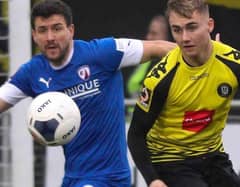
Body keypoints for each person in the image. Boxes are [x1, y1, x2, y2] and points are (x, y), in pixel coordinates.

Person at [0, 0, 175, 187]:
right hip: (73, 178)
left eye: (57, 28)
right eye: (42, 30)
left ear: (71, 30)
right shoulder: (32, 72)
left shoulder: (103, 53)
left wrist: (207, 54)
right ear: (34, 35)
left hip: (110, 178)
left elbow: (159, 47)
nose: (50, 37)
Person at [127, 0, 240, 187]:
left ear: (209, 25)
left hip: (213, 158)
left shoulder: (237, 63)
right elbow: (135, 134)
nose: (184, 38)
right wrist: (153, 180)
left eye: (192, 28)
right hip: (169, 160)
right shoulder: (160, 78)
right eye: (177, 30)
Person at [127, 14, 171, 98]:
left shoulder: (169, 64)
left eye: (154, 33)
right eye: (149, 32)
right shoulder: (146, 58)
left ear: (166, 36)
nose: (148, 37)